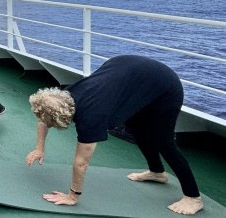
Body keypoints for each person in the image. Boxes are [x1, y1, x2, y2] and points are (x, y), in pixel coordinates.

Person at [25, 55, 204, 216]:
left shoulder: (91, 116)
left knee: (163, 141)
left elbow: (81, 163)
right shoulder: (64, 97)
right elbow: (44, 118)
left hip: (165, 86)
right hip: (135, 75)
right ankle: (157, 173)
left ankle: (193, 197)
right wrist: (39, 148)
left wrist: (73, 196)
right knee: (135, 126)